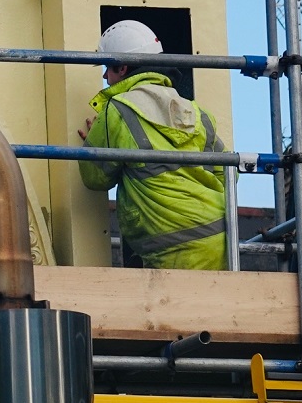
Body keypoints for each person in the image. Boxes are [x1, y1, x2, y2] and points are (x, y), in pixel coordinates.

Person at [77, 19, 228, 270]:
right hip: (218, 241)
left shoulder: (117, 111)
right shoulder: (199, 114)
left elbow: (94, 178)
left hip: (169, 247)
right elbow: (227, 176)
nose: (105, 76)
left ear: (123, 67)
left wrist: (96, 141)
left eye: (108, 68)